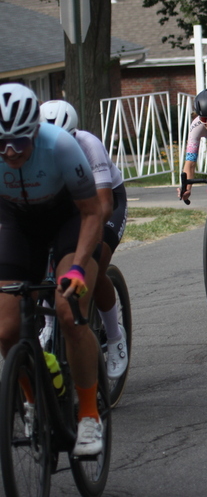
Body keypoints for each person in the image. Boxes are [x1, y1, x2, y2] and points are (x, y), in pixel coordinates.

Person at [0, 83, 105, 456]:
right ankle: (32, 398)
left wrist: (77, 267)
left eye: (19, 143)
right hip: (15, 222)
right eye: (1, 144)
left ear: (34, 132)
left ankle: (89, 416)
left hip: (66, 219)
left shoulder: (60, 144)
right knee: (6, 330)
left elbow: (93, 211)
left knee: (68, 311)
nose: (10, 152)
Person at [40, 99, 130, 379]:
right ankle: (47, 325)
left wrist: (85, 242)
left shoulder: (89, 145)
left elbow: (103, 205)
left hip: (106, 201)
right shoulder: (36, 147)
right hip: (67, 204)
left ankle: (115, 337)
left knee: (96, 261)